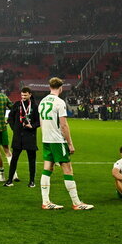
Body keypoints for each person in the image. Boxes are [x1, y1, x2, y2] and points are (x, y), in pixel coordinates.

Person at [38, 77, 93, 210]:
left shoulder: (42, 101)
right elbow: (63, 125)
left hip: (46, 139)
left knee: (47, 169)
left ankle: (46, 202)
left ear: (49, 87)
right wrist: (70, 143)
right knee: (68, 169)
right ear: (61, 88)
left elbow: (41, 122)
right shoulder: (59, 102)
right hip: (57, 140)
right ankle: (76, 203)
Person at [5, 86, 40, 188]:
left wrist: (32, 126)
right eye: (22, 95)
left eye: (25, 95)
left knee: (31, 160)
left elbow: (39, 121)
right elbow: (10, 118)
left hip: (30, 135)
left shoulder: (34, 106)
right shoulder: (17, 105)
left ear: (30, 94)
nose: (23, 97)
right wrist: (14, 128)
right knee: (14, 159)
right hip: (18, 136)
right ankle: (9, 180)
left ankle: (32, 181)